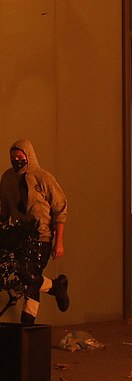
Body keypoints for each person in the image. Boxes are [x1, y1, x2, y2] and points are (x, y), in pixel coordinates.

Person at [0, 139, 69, 324]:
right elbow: (4, 209)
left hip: (41, 236)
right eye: (13, 158)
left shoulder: (43, 178)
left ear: (28, 155)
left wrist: (59, 242)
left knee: (29, 275)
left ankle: (31, 316)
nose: (17, 161)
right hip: (19, 236)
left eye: (20, 157)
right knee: (28, 277)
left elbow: (60, 209)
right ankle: (54, 288)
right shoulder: (7, 178)